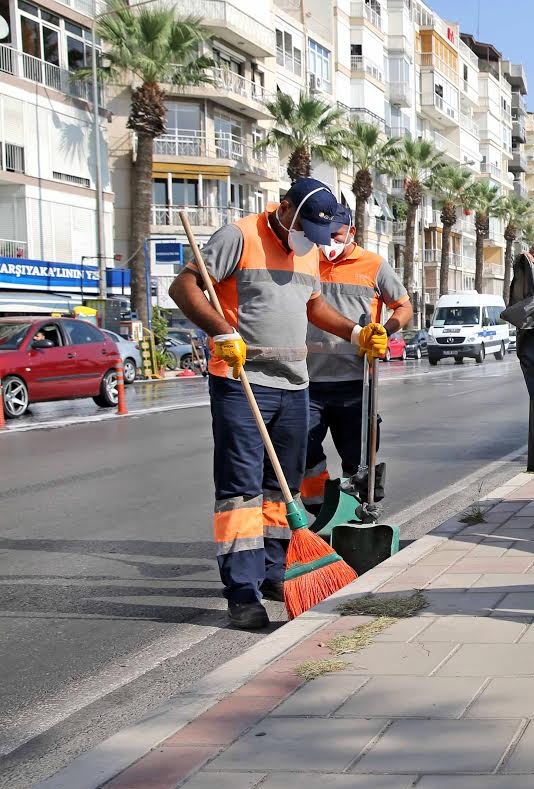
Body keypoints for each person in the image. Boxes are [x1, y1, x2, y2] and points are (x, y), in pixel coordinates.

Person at [169, 178, 388, 629]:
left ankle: (272, 571)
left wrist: (355, 333)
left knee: (280, 487)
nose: (309, 237)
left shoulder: (308, 248)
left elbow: (312, 306)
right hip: (242, 380)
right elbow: (184, 287)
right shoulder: (239, 236)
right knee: (241, 491)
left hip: (295, 385)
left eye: (317, 232)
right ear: (284, 207)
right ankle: (242, 592)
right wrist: (221, 332)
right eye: (304, 225)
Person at [300, 204, 412, 512]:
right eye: (323, 236)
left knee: (358, 459)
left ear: (352, 232)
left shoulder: (374, 265)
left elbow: (404, 307)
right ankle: (321, 509)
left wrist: (383, 331)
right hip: (309, 381)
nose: (328, 242)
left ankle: (358, 512)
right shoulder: (305, 261)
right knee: (301, 448)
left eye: (335, 235)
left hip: (356, 383)